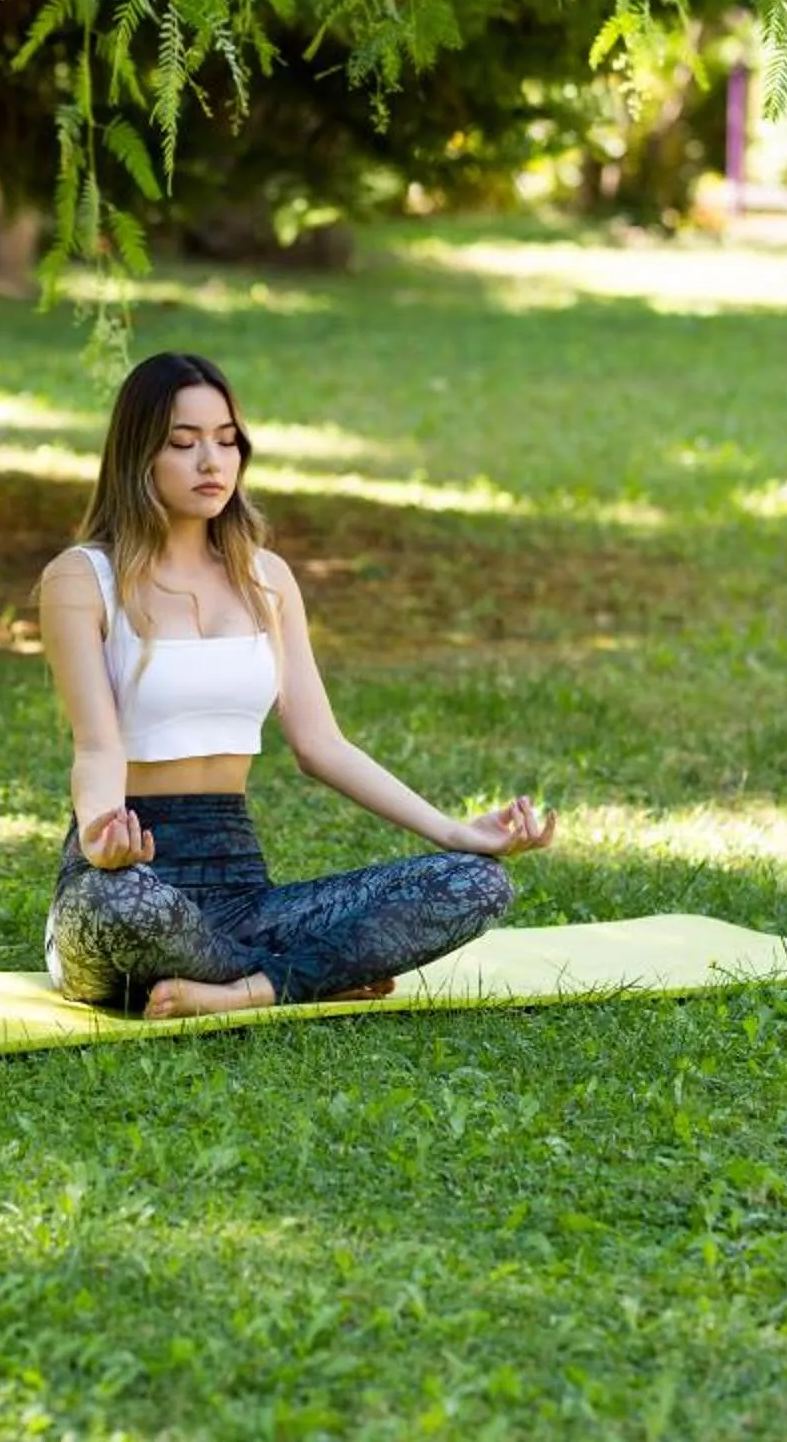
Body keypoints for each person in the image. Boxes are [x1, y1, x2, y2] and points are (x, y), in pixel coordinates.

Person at [38, 350, 558, 1020]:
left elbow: (321, 745)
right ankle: (313, 973)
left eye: (227, 441)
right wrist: (99, 834)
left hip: (242, 897)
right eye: (183, 443)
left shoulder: (267, 578)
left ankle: (244, 991)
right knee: (121, 904)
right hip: (123, 882)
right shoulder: (82, 579)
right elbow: (97, 746)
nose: (211, 462)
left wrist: (455, 833)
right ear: (138, 455)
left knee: (476, 882)